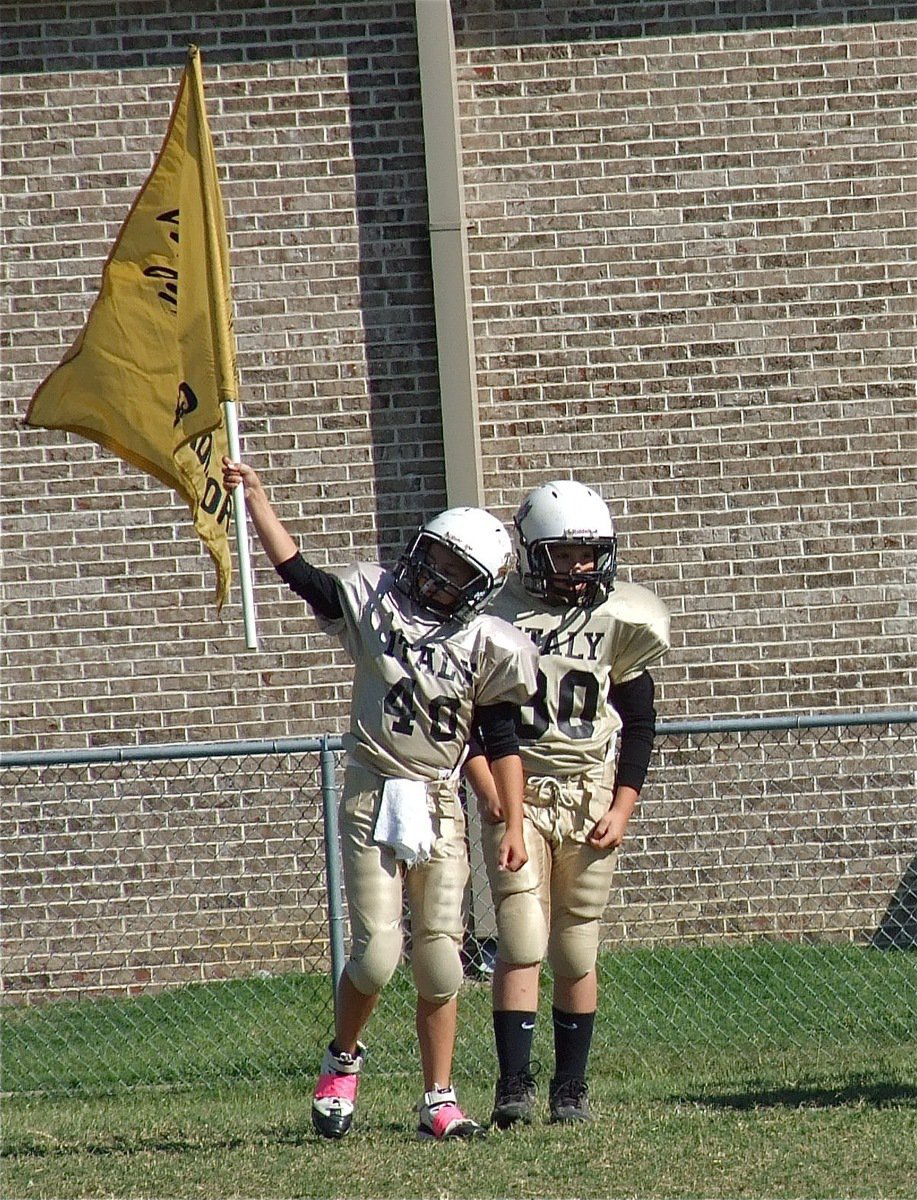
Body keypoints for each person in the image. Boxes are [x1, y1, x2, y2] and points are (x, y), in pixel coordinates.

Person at [221, 457, 537, 1141]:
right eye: (436, 562)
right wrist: (258, 501)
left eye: (458, 574)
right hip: (372, 787)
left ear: (479, 591)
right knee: (374, 957)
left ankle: (438, 1100)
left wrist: (510, 819)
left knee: (441, 959)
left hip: (438, 798)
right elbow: (300, 574)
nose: (436, 579)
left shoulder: (489, 643)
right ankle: (342, 1060)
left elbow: (500, 737)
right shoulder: (376, 600)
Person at [463, 479, 671, 1127]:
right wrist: (496, 801)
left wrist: (623, 804)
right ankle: (513, 1086)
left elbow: (638, 719)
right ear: (531, 551)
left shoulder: (618, 620)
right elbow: (467, 716)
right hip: (520, 791)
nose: (581, 567)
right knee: (522, 937)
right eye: (566, 553)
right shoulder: (495, 617)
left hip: (589, 795)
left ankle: (570, 1089)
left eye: (590, 553)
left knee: (577, 948)